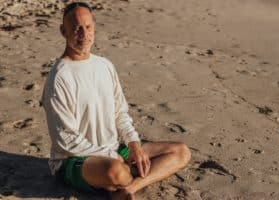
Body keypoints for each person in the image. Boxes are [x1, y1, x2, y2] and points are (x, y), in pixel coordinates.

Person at [42, 2, 191, 200]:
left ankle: (129, 188)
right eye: (76, 28)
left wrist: (134, 144)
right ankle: (125, 178)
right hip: (73, 160)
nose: (83, 34)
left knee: (181, 152)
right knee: (116, 171)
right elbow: (65, 140)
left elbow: (120, 113)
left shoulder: (104, 66)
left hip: (112, 147)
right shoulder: (60, 77)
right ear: (63, 31)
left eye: (88, 27)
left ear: (94, 27)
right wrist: (114, 157)